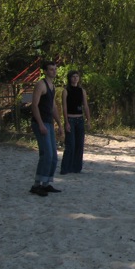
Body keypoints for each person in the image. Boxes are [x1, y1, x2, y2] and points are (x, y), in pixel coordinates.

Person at [29, 61, 63, 196]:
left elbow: (53, 107)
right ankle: (36, 185)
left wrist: (59, 124)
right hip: (40, 123)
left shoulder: (52, 86)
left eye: (55, 69)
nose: (54, 71)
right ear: (45, 71)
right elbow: (34, 105)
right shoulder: (40, 85)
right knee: (46, 154)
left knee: (53, 156)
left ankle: (46, 183)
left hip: (48, 122)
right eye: (51, 69)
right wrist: (40, 124)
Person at [60, 70, 91, 175]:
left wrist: (88, 120)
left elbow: (85, 106)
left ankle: (76, 167)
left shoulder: (82, 91)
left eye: (77, 76)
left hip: (80, 119)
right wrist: (66, 122)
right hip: (71, 119)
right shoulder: (66, 91)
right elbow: (64, 106)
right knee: (70, 144)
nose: (75, 78)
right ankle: (65, 168)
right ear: (70, 78)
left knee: (79, 144)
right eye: (73, 76)